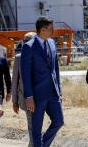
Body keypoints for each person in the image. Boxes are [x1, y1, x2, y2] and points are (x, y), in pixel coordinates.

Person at [21, 16, 63, 147]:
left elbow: (55, 69)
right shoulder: (28, 47)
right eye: (51, 29)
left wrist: (59, 90)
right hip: (37, 95)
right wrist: (29, 96)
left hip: (53, 93)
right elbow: (25, 74)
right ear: (42, 29)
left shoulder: (51, 43)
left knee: (59, 121)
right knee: (36, 129)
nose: (53, 31)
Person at [12, 32, 36, 147]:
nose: (25, 43)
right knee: (32, 126)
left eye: (27, 41)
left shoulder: (41, 56)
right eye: (24, 41)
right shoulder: (18, 58)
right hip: (26, 99)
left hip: (41, 98)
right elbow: (15, 80)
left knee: (37, 126)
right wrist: (14, 101)